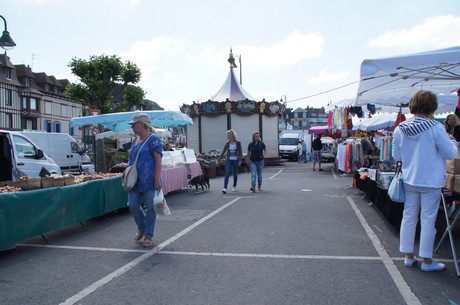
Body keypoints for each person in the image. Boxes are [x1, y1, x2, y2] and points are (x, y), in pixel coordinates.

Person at [392, 90, 458, 272]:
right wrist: (451, 141)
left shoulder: (400, 129)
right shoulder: (435, 128)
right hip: (431, 180)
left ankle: (408, 256)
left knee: (409, 216)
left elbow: (396, 155)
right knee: (428, 219)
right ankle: (427, 260)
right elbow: (450, 153)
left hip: (409, 178)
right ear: (432, 107)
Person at [127, 113, 163, 247]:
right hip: (135, 180)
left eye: (133, 124)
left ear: (141, 125)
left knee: (150, 208)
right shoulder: (135, 140)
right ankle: (142, 227)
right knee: (132, 205)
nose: (132, 127)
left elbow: (158, 161)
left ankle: (148, 235)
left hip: (149, 180)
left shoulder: (153, 140)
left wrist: (156, 180)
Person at [217, 129, 243, 193]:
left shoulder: (238, 143)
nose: (228, 136)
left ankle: (234, 186)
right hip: (229, 160)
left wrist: (240, 160)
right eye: (228, 135)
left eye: (229, 134)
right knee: (227, 173)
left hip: (236, 160)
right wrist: (218, 160)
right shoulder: (227, 143)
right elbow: (223, 152)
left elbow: (240, 153)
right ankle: (225, 188)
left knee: (235, 174)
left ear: (233, 135)